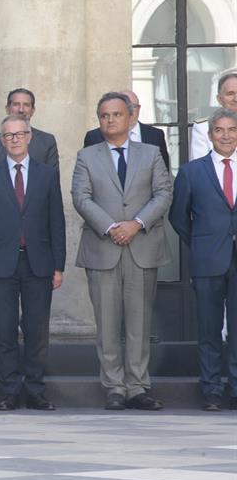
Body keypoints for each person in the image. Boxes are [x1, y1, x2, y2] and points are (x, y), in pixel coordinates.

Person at [72, 92, 173, 412]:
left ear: (130, 118)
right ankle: (114, 387)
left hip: (142, 247)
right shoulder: (87, 156)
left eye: (116, 114)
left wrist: (136, 223)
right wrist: (112, 226)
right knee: (107, 323)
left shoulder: (151, 152)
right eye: (103, 115)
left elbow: (163, 192)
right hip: (103, 248)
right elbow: (81, 197)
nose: (109, 120)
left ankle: (138, 387)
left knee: (139, 324)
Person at [0, 115, 66, 412]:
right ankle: (10, 390)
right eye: (8, 135)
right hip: (0, 265)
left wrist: (58, 265)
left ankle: (36, 391)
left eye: (20, 134)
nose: (14, 139)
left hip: (38, 263)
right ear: (2, 140)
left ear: (29, 137)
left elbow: (57, 222)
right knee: (5, 330)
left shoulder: (47, 174)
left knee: (37, 331)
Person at [0, 88, 60, 344]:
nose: (21, 108)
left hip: (36, 249)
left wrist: (59, 264)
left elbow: (54, 212)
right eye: (16, 104)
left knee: (37, 326)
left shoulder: (46, 144)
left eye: (26, 105)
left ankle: (35, 379)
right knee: (3, 323)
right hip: (3, 246)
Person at [169, 108, 237, 412]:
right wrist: (199, 243)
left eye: (232, 130)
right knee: (209, 329)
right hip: (208, 259)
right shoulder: (191, 171)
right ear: (210, 135)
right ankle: (210, 389)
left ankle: (235, 389)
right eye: (219, 130)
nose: (226, 135)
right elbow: (178, 215)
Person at [83, 90, 169, 169]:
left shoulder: (155, 135)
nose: (130, 111)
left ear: (139, 108)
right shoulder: (94, 137)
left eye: (132, 107)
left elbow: (163, 172)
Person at [190, 71, 237, 160]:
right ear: (219, 99)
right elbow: (199, 168)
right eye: (230, 94)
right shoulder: (203, 128)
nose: (236, 99)